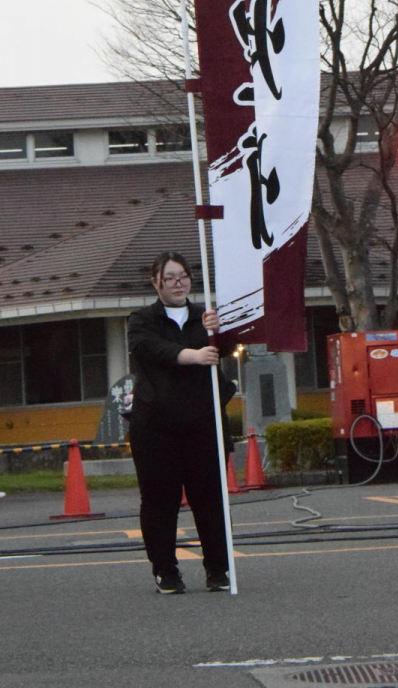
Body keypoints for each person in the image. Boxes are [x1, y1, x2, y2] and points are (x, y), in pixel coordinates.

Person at [128, 250, 235, 594]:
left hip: (204, 423)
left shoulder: (205, 318)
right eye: (170, 277)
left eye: (183, 276)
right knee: (160, 501)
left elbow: (228, 350)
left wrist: (221, 332)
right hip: (156, 427)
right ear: (155, 282)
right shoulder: (142, 320)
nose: (178, 283)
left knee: (210, 499)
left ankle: (219, 570)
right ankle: (166, 571)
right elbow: (152, 349)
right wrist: (193, 355)